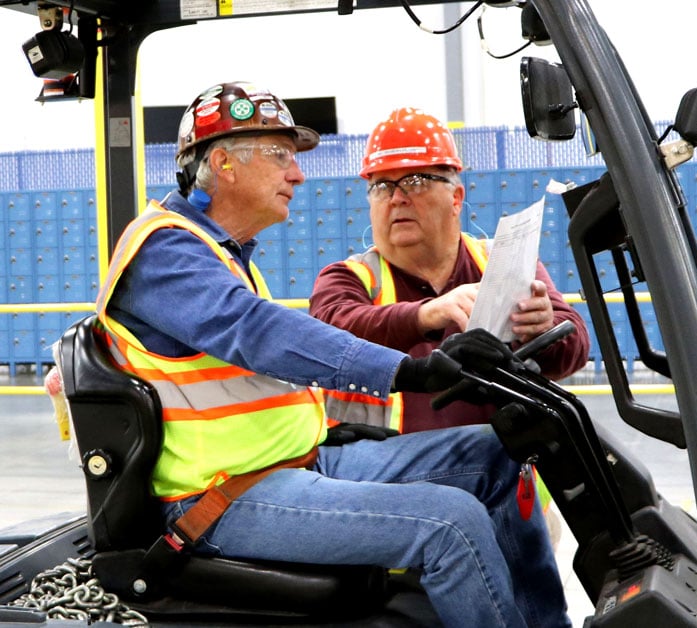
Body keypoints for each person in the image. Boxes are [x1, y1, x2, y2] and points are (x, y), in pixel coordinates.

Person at [96, 82, 570, 628]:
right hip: (222, 500)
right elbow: (260, 334)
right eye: (281, 157)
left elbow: (251, 378)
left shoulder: (224, 257)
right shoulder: (165, 249)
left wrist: (325, 427)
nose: (297, 174)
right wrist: (409, 371)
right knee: (450, 522)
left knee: (502, 450)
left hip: (294, 463)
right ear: (222, 161)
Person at [308, 107, 589, 434]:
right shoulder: (348, 278)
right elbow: (327, 338)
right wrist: (425, 315)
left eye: (415, 181)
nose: (397, 198)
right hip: (383, 474)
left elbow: (576, 345)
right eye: (382, 186)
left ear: (456, 198)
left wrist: (542, 328)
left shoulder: (501, 262)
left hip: (497, 470)